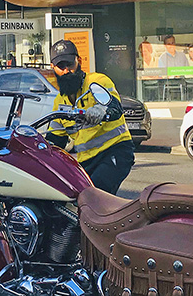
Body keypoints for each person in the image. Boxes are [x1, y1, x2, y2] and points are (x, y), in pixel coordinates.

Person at [45, 40, 134, 195]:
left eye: (70, 65)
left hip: (114, 151)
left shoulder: (97, 82)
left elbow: (115, 107)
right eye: (61, 67)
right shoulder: (59, 101)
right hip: (85, 161)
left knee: (95, 197)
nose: (66, 71)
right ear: (53, 67)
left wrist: (102, 110)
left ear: (79, 61)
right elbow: (55, 141)